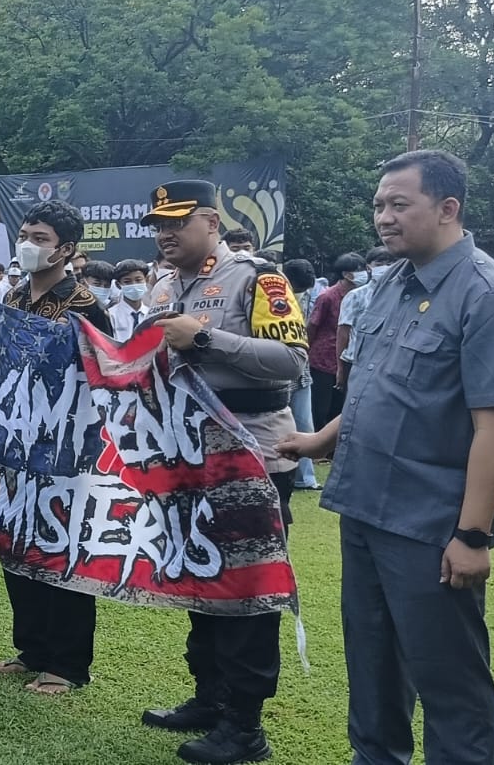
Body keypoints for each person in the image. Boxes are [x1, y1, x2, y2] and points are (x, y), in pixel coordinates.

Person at [279, 149, 494, 765]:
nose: (383, 217)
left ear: (448, 208)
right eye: (379, 204)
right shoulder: (392, 284)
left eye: (398, 204)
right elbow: (381, 387)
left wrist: (473, 534)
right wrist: (319, 439)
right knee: (372, 666)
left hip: (429, 523)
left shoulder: (485, 294)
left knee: (448, 678)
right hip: (365, 506)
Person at [137, 180, 307, 764]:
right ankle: (209, 696)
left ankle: (246, 724)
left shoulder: (258, 278)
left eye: (176, 222)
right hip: (185, 451)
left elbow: (293, 362)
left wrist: (205, 338)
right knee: (201, 576)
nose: (164, 233)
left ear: (211, 221)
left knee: (247, 589)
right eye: (157, 224)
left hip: (251, 450)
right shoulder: (161, 283)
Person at [0, 200, 114, 694]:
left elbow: (99, 377)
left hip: (65, 446)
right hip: (16, 442)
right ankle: (33, 648)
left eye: (39, 238)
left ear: (66, 249)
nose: (28, 244)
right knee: (19, 543)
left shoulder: (84, 305)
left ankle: (67, 663)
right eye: (24, 234)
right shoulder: (16, 297)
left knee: (63, 550)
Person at [306, 251, 364, 430]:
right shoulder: (328, 296)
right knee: (320, 406)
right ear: (347, 274)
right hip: (323, 359)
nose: (365, 273)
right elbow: (312, 326)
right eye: (360, 270)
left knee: (340, 407)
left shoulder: (361, 295)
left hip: (348, 358)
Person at [281, 258, 321, 491]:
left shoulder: (306, 297)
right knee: (280, 423)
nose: (297, 294)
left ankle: (305, 478)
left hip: (302, 371)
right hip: (276, 374)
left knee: (305, 424)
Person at [335, 246, 398, 388]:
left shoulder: (402, 295)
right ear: (369, 267)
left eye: (390, 263)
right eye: (379, 264)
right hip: (357, 362)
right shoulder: (356, 296)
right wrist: (340, 368)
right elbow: (343, 332)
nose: (385, 268)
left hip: (388, 365)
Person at [109, 259, 152, 341]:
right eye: (127, 281)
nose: (134, 285)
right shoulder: (111, 315)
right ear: (118, 285)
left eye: (138, 280)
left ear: (146, 280)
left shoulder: (151, 315)